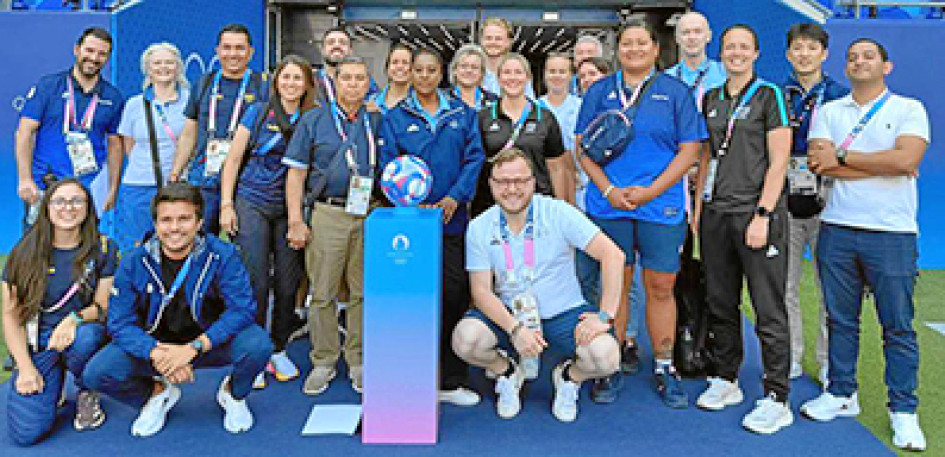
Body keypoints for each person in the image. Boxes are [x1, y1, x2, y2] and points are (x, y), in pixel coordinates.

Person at [801, 38, 929, 452]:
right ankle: (841, 393)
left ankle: (903, 411)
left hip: (891, 233)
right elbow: (819, 163)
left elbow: (906, 162)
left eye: (868, 56)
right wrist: (879, 162)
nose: (859, 62)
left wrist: (844, 157)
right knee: (840, 320)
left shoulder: (909, 109)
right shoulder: (830, 110)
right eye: (853, 57)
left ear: (886, 66)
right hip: (837, 229)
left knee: (897, 327)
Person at [575, 21, 707, 407]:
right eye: (626, 44)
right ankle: (610, 364)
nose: (633, 49)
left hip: (661, 207)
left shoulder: (676, 92)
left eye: (641, 43)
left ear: (654, 49)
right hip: (608, 206)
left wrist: (652, 190)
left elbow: (690, 150)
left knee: (661, 288)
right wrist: (609, 190)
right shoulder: (600, 91)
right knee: (614, 286)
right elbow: (582, 149)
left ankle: (665, 365)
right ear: (618, 51)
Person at [83, 182, 273, 436]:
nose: (174, 228)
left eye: (184, 219)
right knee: (97, 372)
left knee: (258, 345)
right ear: (155, 224)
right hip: (156, 348)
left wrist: (193, 349)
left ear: (199, 223)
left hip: (207, 344)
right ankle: (156, 394)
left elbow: (242, 310)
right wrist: (156, 353)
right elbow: (119, 322)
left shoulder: (223, 255)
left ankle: (233, 395)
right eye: (166, 220)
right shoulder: (133, 261)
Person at [453, 148, 621, 422]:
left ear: (533, 181)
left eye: (520, 181)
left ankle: (568, 378)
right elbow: (481, 291)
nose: (512, 190)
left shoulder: (558, 212)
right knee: (465, 340)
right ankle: (507, 372)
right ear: (491, 185)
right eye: (503, 182)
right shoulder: (480, 226)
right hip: (509, 313)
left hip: (562, 312)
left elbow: (613, 255)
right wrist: (515, 329)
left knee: (606, 358)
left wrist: (605, 315)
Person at [692, 25, 793, 434]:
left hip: (755, 215)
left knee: (767, 308)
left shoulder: (770, 96)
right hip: (716, 215)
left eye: (743, 47)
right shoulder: (712, 98)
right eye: (729, 47)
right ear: (721, 53)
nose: (736, 53)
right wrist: (698, 211)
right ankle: (727, 377)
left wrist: (764, 214)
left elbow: (779, 161)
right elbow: (704, 160)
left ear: (755, 53)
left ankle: (776, 395)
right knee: (720, 301)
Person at [379, 48, 485, 406]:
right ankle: (412, 377)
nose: (424, 76)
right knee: (414, 300)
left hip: (452, 222)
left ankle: (452, 379)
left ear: (442, 74)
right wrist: (409, 203)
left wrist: (455, 197)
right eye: (418, 70)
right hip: (410, 226)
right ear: (409, 73)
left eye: (431, 70)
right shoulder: (394, 117)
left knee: (454, 295)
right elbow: (388, 165)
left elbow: (474, 159)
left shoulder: (463, 113)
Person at [282, 57, 379, 395]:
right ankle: (323, 360)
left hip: (369, 213)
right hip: (327, 213)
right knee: (321, 292)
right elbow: (296, 173)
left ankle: (359, 359)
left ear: (369, 84)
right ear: (334, 84)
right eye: (346, 78)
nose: (353, 84)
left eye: (360, 78)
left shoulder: (376, 120)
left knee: (363, 291)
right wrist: (295, 219)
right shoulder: (314, 120)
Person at [218, 55, 315, 388]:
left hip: (291, 209)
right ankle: (255, 351)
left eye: (297, 79)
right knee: (257, 282)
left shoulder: (312, 118)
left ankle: (278, 347)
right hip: (252, 201)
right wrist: (227, 205)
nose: (290, 84)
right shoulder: (257, 112)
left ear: (307, 85)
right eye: (285, 77)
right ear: (276, 81)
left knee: (289, 284)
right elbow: (232, 160)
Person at [2, 179, 117, 445]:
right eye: (60, 201)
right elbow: (11, 316)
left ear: (88, 208)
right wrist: (25, 367)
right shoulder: (24, 252)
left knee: (86, 339)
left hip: (81, 336)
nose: (68, 208)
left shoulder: (103, 248)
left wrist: (74, 319)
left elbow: (103, 307)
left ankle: (87, 389)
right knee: (26, 433)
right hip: (40, 342)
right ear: (47, 208)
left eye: (77, 201)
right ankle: (53, 388)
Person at [780, 23, 849, 383]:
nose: (804, 54)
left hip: (829, 197)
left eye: (811, 48)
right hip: (785, 196)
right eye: (797, 48)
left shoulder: (840, 96)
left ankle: (827, 361)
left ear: (824, 53)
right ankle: (791, 356)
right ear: (789, 53)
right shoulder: (777, 93)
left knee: (830, 287)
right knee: (785, 285)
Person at [15, 27, 124, 220]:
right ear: (77, 50)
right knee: (39, 247)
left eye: (101, 54)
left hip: (88, 188)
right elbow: (24, 132)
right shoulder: (49, 86)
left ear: (107, 58)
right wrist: (25, 179)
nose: (94, 58)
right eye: (89, 51)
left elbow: (115, 145)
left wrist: (112, 188)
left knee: (83, 248)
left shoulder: (113, 97)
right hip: (45, 185)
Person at [169, 24, 268, 236]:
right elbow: (189, 133)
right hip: (205, 180)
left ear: (251, 52)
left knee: (246, 249)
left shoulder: (263, 86)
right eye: (227, 47)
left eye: (240, 48)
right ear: (217, 51)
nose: (233, 54)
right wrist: (176, 171)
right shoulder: (204, 84)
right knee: (199, 243)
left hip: (246, 183)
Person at [473, 52, 571, 217]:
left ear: (528, 78)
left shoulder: (545, 117)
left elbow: (557, 168)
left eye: (518, 72)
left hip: (537, 205)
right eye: (507, 72)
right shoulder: (483, 117)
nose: (513, 78)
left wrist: (559, 209)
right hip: (492, 206)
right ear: (498, 78)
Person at [115, 42, 190, 252]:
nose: (163, 68)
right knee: (139, 246)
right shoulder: (134, 105)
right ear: (148, 68)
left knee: (176, 245)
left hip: (177, 185)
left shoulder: (190, 101)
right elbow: (128, 144)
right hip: (139, 185)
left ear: (178, 67)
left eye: (169, 62)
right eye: (157, 63)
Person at [665, 11, 727, 111]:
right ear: (676, 38)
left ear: (709, 36)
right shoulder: (665, 78)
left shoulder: (725, 74)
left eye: (697, 32)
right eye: (685, 32)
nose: (691, 38)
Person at [312, 27, 379, 107]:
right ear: (323, 50)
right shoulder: (311, 80)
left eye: (342, 43)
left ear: (350, 50)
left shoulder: (364, 80)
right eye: (331, 42)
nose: (336, 46)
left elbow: (374, 107)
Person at [478, 17, 535, 98]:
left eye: (498, 39)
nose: (493, 42)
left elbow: (530, 105)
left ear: (508, 42)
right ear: (481, 40)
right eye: (488, 38)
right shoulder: (472, 73)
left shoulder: (519, 73)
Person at [449, 43, 499, 110]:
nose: (469, 70)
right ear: (455, 70)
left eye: (474, 67)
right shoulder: (441, 99)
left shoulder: (494, 101)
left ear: (482, 73)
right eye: (464, 66)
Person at [373, 44, 412, 114]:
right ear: (387, 68)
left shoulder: (422, 103)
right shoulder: (372, 101)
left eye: (405, 63)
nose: (400, 67)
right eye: (395, 62)